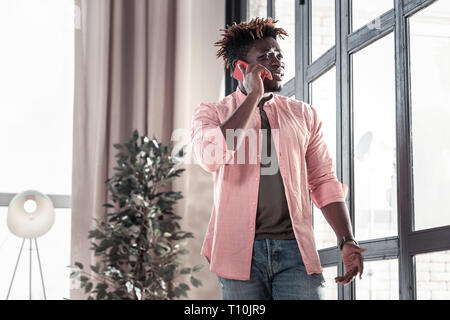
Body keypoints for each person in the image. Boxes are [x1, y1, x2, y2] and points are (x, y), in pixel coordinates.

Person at [190, 17, 365, 300]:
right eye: (265, 56)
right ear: (241, 69)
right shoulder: (211, 112)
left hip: (295, 251)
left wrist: (346, 239)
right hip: (238, 254)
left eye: (278, 54)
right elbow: (210, 156)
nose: (277, 60)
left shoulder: (304, 115)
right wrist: (253, 97)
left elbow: (323, 181)